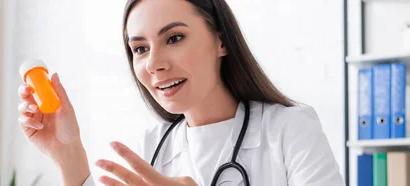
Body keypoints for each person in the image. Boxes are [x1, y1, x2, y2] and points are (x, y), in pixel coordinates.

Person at [17, 0, 344, 185]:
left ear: (221, 41)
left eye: (174, 38)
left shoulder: (291, 129)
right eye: (140, 48)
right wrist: (67, 152)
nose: (154, 64)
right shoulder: (155, 145)